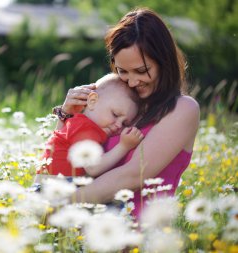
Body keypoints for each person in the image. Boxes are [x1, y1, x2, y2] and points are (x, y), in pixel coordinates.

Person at [56, 7, 200, 219]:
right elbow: (63, 158)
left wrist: (56, 205)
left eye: (141, 71)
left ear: (164, 62)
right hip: (79, 229)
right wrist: (66, 115)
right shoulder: (117, 100)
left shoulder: (183, 109)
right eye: (123, 71)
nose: (132, 81)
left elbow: (132, 176)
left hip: (135, 237)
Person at [37, 73, 144, 180]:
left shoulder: (78, 123)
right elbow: (93, 168)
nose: (119, 125)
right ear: (92, 101)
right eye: (115, 114)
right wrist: (124, 146)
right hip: (54, 184)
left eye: (125, 123)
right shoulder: (85, 127)